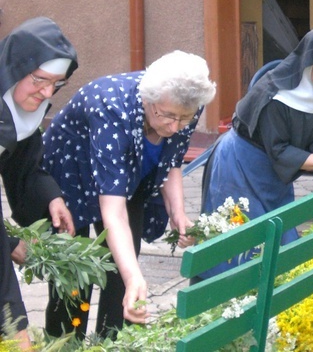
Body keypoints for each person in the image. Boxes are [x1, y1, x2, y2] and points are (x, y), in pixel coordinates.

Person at [42, 50, 216, 339]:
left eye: (184, 119)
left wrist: (178, 212)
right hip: (70, 176)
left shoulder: (185, 103)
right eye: (168, 116)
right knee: (75, 273)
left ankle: (112, 342)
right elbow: (113, 211)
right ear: (147, 100)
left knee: (124, 266)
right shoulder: (111, 107)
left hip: (128, 175)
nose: (175, 127)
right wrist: (136, 275)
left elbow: (172, 160)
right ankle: (63, 343)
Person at [200, 21, 313, 276]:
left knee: (281, 245)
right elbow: (280, 151)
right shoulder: (274, 94)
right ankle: (226, 307)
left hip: (275, 176)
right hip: (240, 166)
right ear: (311, 60)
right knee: (238, 244)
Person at [0, 17, 78, 351]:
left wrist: (50, 199)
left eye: (56, 84)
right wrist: (7, 242)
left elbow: (24, 169)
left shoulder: (25, 109)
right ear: (14, 69)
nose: (47, 93)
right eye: (39, 80)